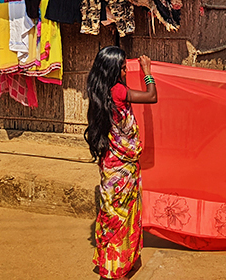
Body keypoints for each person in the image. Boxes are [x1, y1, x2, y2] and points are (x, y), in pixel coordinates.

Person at [85, 47, 157, 280]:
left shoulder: (98, 90)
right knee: (123, 217)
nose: (126, 71)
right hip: (123, 167)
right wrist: (147, 72)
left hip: (111, 163)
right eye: (123, 67)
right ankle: (116, 268)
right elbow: (151, 96)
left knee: (112, 214)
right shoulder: (117, 90)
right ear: (114, 69)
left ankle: (113, 261)